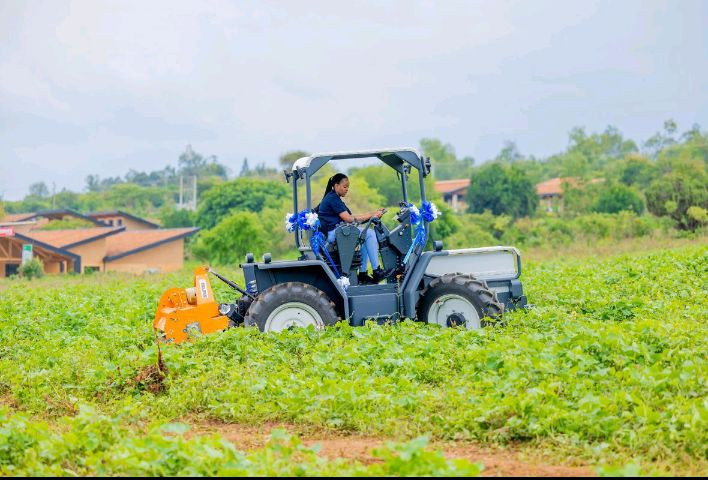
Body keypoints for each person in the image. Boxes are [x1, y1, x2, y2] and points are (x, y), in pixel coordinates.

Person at [317, 173, 392, 284]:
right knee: (370, 233)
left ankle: (362, 274)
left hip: (337, 231)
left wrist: (373, 215)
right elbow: (349, 219)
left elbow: (353, 218)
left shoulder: (335, 198)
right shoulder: (332, 199)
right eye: (344, 186)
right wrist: (372, 215)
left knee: (364, 236)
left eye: (348, 187)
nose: (347, 189)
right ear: (336, 185)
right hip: (333, 233)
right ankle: (377, 271)